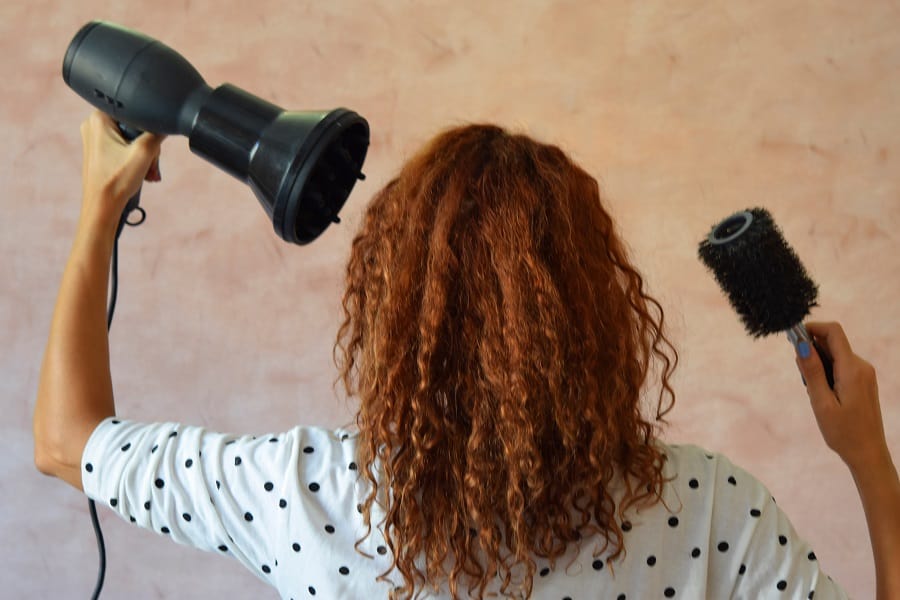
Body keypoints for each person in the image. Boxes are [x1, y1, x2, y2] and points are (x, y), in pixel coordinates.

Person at [34, 110, 898, 599]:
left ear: (393, 315)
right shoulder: (709, 511)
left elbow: (65, 440)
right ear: (595, 317)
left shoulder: (308, 496)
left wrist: (97, 215)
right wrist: (869, 461)